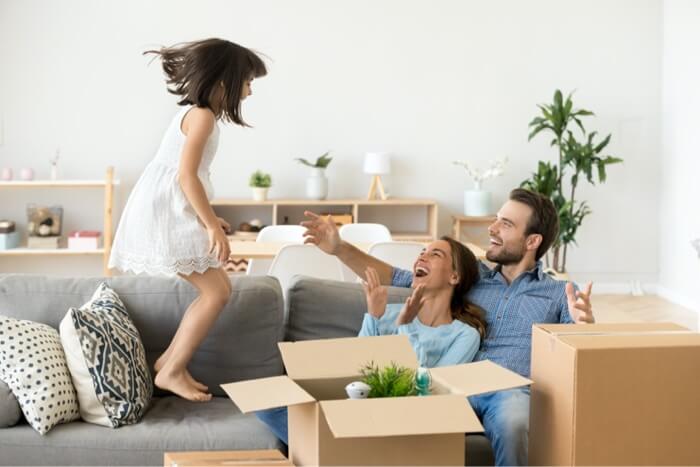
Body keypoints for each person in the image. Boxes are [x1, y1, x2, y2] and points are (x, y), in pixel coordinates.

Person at [301, 188, 594, 466]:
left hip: (508, 392)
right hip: (451, 383)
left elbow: (579, 357)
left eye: (505, 224)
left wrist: (585, 328)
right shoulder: (471, 276)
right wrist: (339, 248)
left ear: (532, 242)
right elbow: (398, 277)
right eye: (496, 219)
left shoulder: (559, 293)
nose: (492, 229)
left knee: (513, 419)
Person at [108, 38, 267, 401]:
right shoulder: (202, 117)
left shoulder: (196, 115)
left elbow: (184, 180)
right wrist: (209, 224)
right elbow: (186, 176)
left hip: (167, 207)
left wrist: (210, 218)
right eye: (247, 81)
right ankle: (173, 368)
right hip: (163, 212)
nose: (250, 91)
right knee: (217, 292)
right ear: (225, 80)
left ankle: (168, 363)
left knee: (216, 291)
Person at [257, 236, 487, 445]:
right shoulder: (386, 312)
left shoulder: (464, 334)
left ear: (454, 276)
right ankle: (339, 453)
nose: (422, 256)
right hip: (362, 406)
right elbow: (358, 367)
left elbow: (430, 391)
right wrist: (373, 317)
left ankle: (336, 453)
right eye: (422, 252)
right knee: (267, 402)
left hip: (405, 417)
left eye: (435, 254)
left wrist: (406, 325)